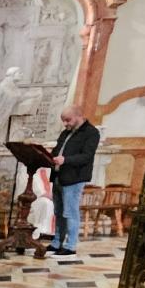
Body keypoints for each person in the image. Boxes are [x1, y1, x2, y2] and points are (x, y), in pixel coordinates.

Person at [50, 104, 101, 257]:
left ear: (79, 115)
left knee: (70, 212)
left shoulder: (91, 133)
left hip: (74, 178)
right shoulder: (66, 132)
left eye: (68, 120)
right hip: (59, 176)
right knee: (58, 212)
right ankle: (56, 242)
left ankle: (70, 245)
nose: (65, 124)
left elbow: (87, 156)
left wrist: (65, 160)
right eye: (63, 121)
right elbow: (58, 149)